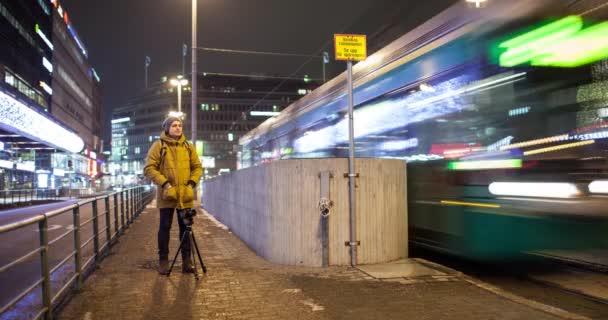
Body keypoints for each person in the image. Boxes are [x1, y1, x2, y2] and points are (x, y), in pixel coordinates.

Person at [144, 116, 203, 274]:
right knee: (165, 227)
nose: (178, 128)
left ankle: (187, 262)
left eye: (180, 125)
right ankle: (163, 261)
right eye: (174, 125)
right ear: (167, 128)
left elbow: (198, 167)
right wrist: (165, 184)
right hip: (167, 195)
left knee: (186, 228)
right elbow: (149, 168)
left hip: (185, 195)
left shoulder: (188, 147)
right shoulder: (159, 146)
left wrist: (191, 183)